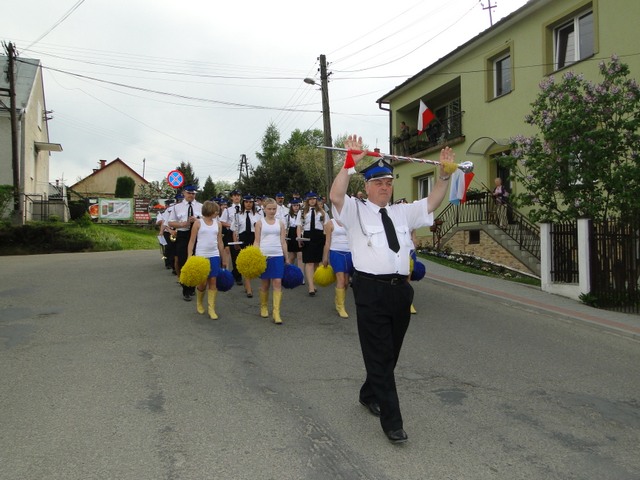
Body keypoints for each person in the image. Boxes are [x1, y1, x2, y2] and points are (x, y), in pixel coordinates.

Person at [330, 134, 454, 444]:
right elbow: (336, 195)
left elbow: (433, 201)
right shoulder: (355, 211)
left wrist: (444, 176)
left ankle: (369, 392)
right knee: (380, 356)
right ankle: (392, 422)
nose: (385, 187)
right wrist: (348, 163)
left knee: (390, 353)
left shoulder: (402, 212)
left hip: (400, 292)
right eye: (379, 183)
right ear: (367, 186)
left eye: (388, 182)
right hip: (370, 290)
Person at [187, 200, 225, 319]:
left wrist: (223, 258)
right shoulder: (198, 223)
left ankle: (211, 308)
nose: (217, 213)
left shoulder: (218, 224)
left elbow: (220, 241)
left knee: (213, 281)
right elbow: (192, 241)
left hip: (214, 255)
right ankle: (199, 302)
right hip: (201, 255)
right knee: (202, 282)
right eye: (216, 211)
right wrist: (189, 256)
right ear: (210, 210)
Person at [254, 197, 289, 324]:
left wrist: (286, 257)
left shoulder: (280, 223)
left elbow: (283, 241)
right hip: (264, 256)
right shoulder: (259, 223)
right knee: (265, 284)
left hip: (278, 255)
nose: (272, 211)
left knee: (277, 282)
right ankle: (264, 307)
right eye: (269, 209)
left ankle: (276, 312)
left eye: (274, 209)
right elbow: (257, 241)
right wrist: (255, 256)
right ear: (264, 209)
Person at [168, 185, 203, 301]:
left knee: (195, 261)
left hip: (197, 235)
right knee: (183, 261)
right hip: (183, 235)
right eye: (189, 193)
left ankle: (192, 286)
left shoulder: (200, 206)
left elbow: (207, 220)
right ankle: (185, 289)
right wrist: (182, 224)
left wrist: (197, 219)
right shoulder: (177, 207)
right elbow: (170, 222)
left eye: (193, 194)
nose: (191, 195)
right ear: (184, 193)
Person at [297, 191, 328, 296]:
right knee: (309, 262)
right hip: (307, 236)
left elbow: (326, 226)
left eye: (314, 199)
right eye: (310, 199)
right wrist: (299, 238)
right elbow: (299, 226)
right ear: (307, 200)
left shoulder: (322, 212)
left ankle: (313, 283)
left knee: (316, 263)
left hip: (319, 237)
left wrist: (326, 239)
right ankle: (310, 286)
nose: (312, 201)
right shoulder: (302, 212)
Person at [322, 217, 353, 318]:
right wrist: (325, 257)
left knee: (346, 282)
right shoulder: (330, 223)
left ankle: (339, 299)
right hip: (336, 252)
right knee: (341, 280)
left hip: (349, 252)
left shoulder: (350, 221)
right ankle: (341, 307)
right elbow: (327, 242)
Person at [233, 194, 260, 298]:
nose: (248, 204)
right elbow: (234, 230)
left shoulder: (258, 215)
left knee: (252, 263)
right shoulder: (238, 215)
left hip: (254, 238)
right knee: (246, 263)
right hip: (242, 239)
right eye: (246, 202)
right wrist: (236, 242)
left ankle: (247, 283)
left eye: (250, 202)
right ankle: (248, 288)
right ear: (243, 203)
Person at [220, 189, 243, 285]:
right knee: (235, 254)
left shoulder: (244, 208)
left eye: (238, 195)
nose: (237, 197)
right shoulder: (228, 210)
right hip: (232, 232)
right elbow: (221, 221)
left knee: (242, 253)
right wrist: (231, 225)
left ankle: (237, 272)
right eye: (235, 195)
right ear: (231, 197)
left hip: (242, 232)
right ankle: (237, 276)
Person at [285, 198, 303, 270]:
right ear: (291, 206)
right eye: (294, 205)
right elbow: (286, 227)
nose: (296, 207)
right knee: (291, 256)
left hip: (299, 233)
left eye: (297, 205)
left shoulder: (302, 215)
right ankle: (288, 272)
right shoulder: (288, 216)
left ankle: (301, 274)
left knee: (300, 255)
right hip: (291, 234)